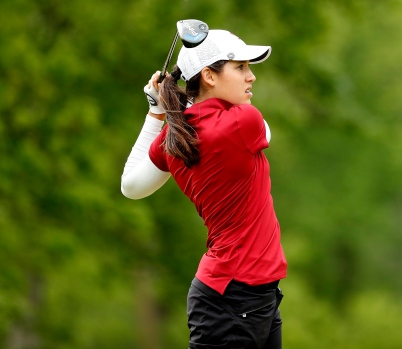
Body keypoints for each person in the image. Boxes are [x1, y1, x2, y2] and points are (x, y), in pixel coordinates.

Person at [120, 28, 287, 349]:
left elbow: (131, 186)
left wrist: (157, 112)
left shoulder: (174, 136)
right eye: (240, 67)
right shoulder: (242, 121)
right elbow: (265, 129)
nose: (251, 77)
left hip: (247, 295)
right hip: (234, 297)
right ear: (209, 75)